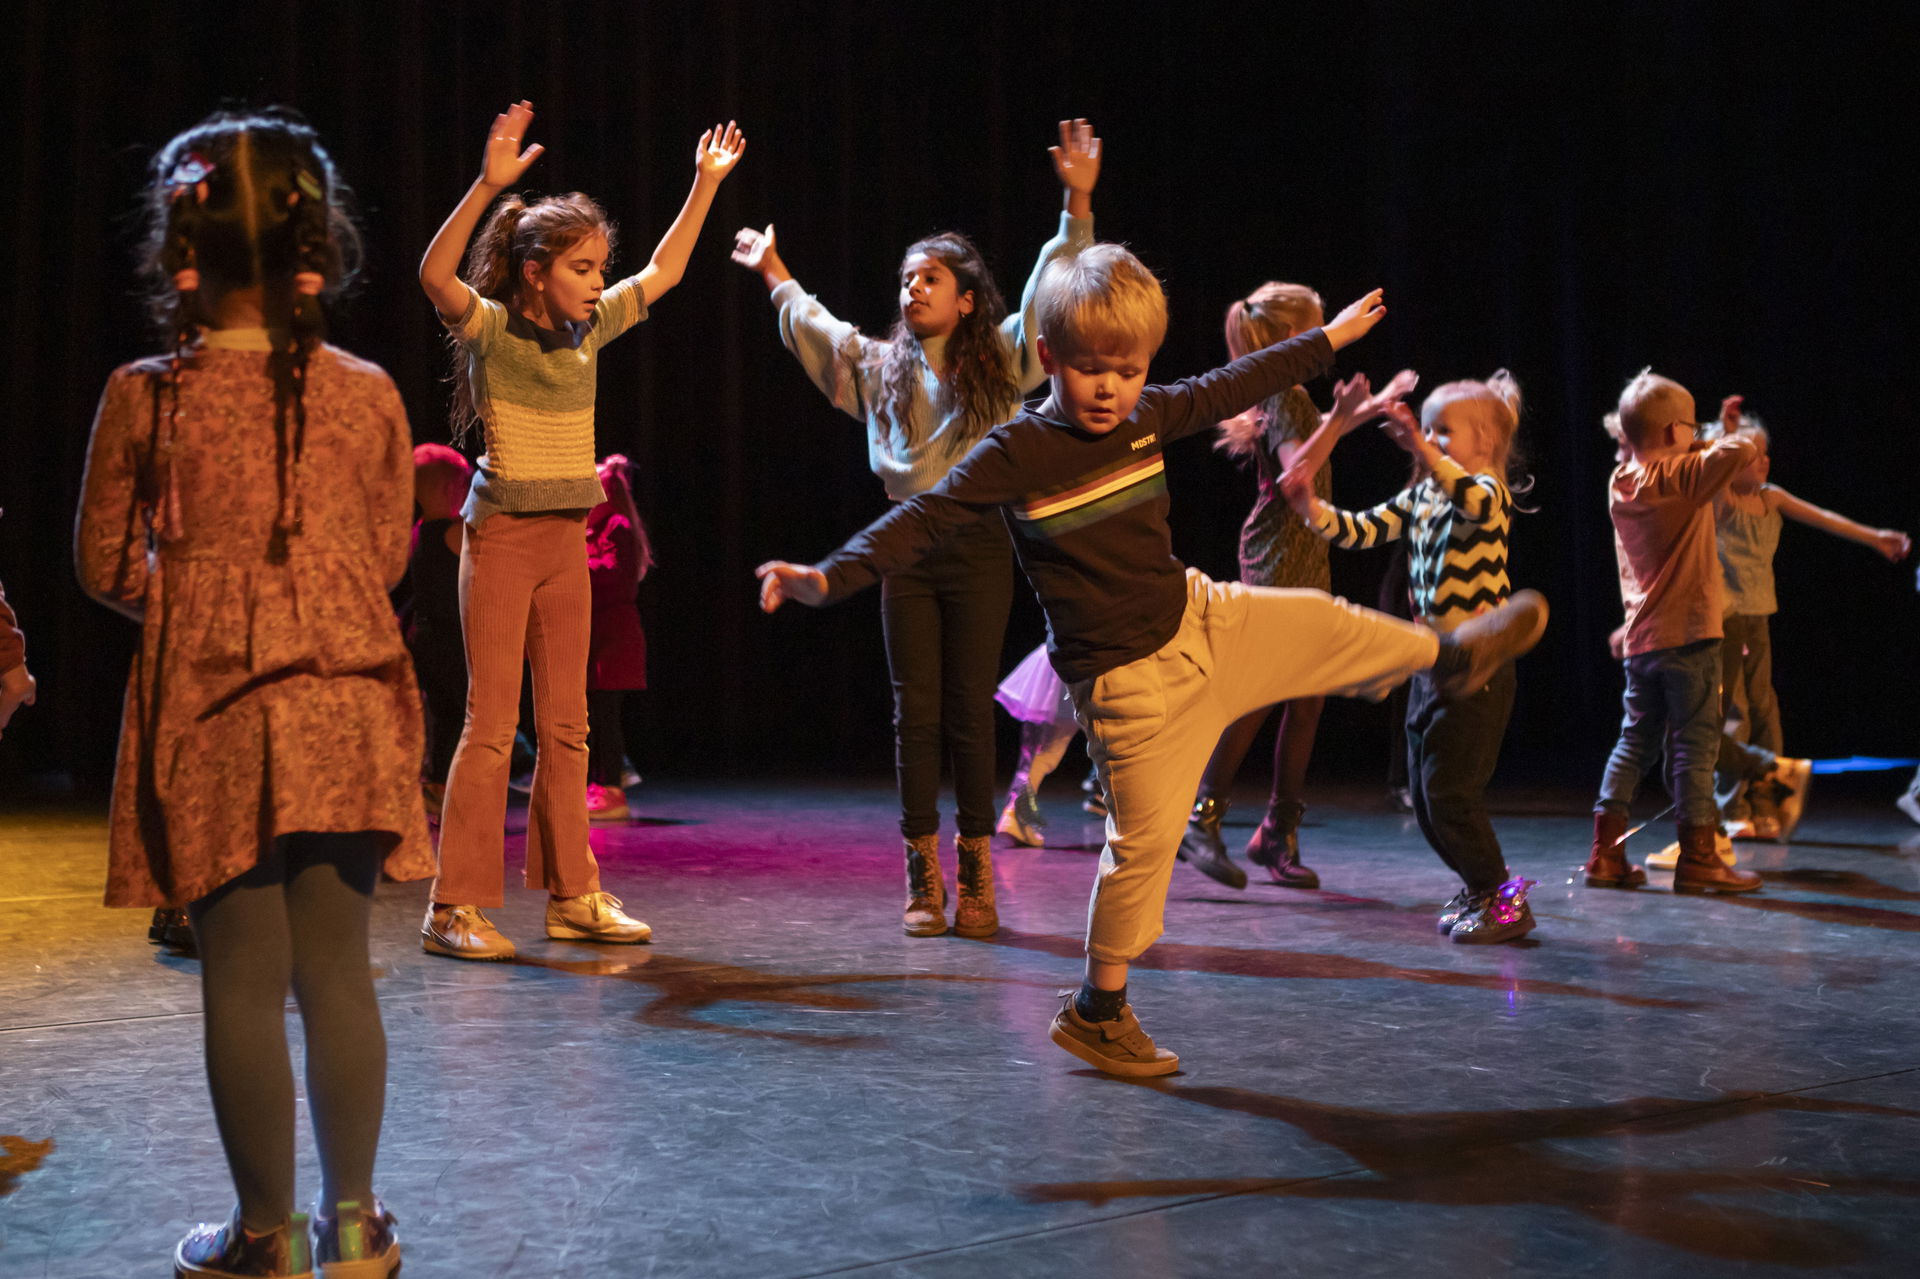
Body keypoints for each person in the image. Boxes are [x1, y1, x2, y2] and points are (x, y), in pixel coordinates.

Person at [755, 245, 1546, 1075]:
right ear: (1049, 359)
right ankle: (1100, 1009)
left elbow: (1232, 384)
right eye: (1092, 369)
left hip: (1199, 616)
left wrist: (1331, 340)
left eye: (1129, 370)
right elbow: (924, 517)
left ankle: (1443, 656)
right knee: (1141, 849)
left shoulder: (1145, 413)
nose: (1111, 388)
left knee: (1320, 621)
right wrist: (827, 576)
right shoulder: (1016, 452)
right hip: (1125, 686)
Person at [75, 108, 425, 1278]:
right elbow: (382, 552)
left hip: (215, 708)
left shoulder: (149, 394)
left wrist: (207, 605)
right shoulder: (369, 392)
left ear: (182, 241)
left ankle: (264, 1236)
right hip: (349, 697)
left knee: (242, 973)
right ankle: (359, 1225)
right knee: (338, 967)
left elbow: (106, 564)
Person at [731, 119, 1101, 938]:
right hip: (905, 542)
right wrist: (774, 268)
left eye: (930, 279)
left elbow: (1050, 288)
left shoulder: (1003, 361)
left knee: (968, 707)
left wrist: (1076, 200)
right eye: (905, 279)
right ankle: (921, 873)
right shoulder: (879, 365)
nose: (912, 290)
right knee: (915, 711)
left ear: (966, 298)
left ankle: (975, 873)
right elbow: (816, 326)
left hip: (975, 542)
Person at [417, 101, 743, 958]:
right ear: (534, 272)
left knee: (569, 727)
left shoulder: (593, 329)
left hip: (566, 542)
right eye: (584, 266)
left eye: (604, 266)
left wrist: (704, 186)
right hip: (500, 540)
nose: (601, 280)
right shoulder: (492, 329)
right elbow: (435, 274)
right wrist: (489, 186)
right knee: (492, 727)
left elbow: (668, 271)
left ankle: (574, 894)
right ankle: (453, 906)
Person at [1286, 373, 1541, 942]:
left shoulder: (1488, 494)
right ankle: (1480, 888)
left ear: (1485, 443)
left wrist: (1424, 451)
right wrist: (1308, 506)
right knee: (1426, 799)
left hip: (1480, 664)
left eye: (1443, 431)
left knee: (1451, 793)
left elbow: (1471, 499)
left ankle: (1505, 900)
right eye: (1425, 428)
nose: (1427, 439)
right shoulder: (1424, 495)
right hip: (1432, 664)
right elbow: (1358, 530)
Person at [1177, 281, 1413, 889]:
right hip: (1279, 554)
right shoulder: (1280, 393)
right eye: (1317, 326)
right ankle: (1200, 819)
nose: (1326, 336)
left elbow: (1312, 447)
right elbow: (1294, 475)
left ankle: (1276, 832)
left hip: (1302, 552)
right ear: (1290, 338)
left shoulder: (1290, 396)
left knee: (1307, 698)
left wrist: (1368, 407)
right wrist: (1339, 417)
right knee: (1259, 692)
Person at [1585, 373, 1773, 893]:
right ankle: (1699, 859)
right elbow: (1744, 448)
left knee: (1633, 743)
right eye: (1690, 427)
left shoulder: (1621, 479)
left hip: (1643, 640)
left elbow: (1713, 454)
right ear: (1673, 432)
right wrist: (1722, 432)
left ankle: (1605, 856)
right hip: (1690, 637)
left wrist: (1701, 433)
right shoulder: (1684, 477)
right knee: (1696, 745)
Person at [1704, 407, 1909, 839]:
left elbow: (1824, 518)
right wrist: (1724, 433)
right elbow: (1713, 462)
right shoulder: (1721, 500)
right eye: (1753, 456)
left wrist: (1876, 538)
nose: (1764, 462)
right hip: (1726, 620)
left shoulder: (1771, 497)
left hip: (1759, 616)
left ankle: (1768, 800)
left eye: (1765, 455)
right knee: (1733, 712)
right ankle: (1732, 807)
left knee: (1765, 707)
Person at [397, 443, 473, 821]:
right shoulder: (456, 533)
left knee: (445, 714)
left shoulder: (420, 530)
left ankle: (437, 786)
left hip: (423, 637)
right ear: (451, 489)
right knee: (462, 713)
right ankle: (450, 788)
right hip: (449, 639)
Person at [585, 454, 654, 823]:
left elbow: (613, 575)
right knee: (597, 716)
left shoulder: (618, 526)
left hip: (614, 638)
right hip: (600, 636)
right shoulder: (596, 529)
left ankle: (612, 789)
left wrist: (572, 562)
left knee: (605, 717)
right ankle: (604, 783)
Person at [993, 642, 1084, 846]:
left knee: (1039, 751)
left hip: (1057, 655)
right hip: (1087, 659)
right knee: (1045, 751)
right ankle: (1016, 815)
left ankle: (1015, 814)